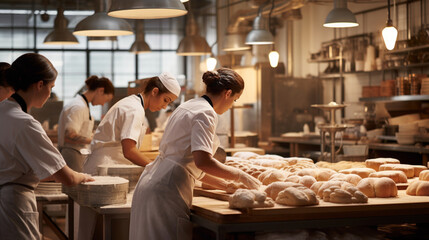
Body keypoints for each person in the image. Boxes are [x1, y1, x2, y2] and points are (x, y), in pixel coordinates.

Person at [129, 68, 261, 240]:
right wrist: (239, 175)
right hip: (168, 188)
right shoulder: (206, 113)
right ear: (227, 94)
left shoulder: (189, 105)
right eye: (234, 100)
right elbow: (203, 162)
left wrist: (225, 185)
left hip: (153, 182)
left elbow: (188, 165)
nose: (231, 106)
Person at [0, 53, 93, 240]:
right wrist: (84, 176)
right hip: (13, 202)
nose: (50, 93)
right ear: (39, 84)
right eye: (51, 87)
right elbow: (66, 177)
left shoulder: (3, 111)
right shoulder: (25, 123)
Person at [78, 72, 181, 239]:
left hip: (106, 168)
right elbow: (129, 151)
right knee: (98, 230)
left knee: (95, 229)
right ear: (155, 91)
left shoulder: (133, 104)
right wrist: (157, 167)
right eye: (165, 100)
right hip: (105, 171)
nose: (164, 106)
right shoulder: (134, 109)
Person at [57, 75, 114, 172]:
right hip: (72, 155)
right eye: (106, 99)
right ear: (100, 91)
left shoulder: (82, 105)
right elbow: (69, 135)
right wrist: (96, 140)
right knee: (74, 186)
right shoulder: (79, 106)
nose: (103, 104)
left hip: (76, 154)